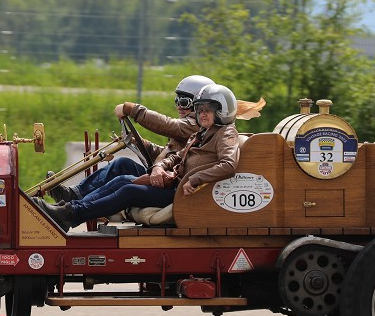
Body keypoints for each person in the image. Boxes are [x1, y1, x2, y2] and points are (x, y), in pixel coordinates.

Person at [36, 83, 241, 233]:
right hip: (176, 185)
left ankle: (70, 214)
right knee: (123, 179)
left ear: (221, 111)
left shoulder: (225, 133)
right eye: (200, 110)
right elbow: (177, 156)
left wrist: (194, 179)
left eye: (208, 110)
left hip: (186, 193)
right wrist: (162, 165)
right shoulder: (202, 133)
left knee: (129, 190)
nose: (202, 114)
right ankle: (69, 210)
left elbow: (229, 164)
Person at [49, 75, 214, 203]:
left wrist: (133, 109)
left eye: (184, 101)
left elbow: (170, 125)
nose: (179, 106)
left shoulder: (196, 124)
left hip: (173, 184)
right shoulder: (190, 124)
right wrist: (140, 142)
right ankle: (74, 195)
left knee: (124, 181)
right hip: (165, 177)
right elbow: (168, 154)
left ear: (199, 104)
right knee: (122, 164)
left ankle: (74, 207)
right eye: (177, 100)